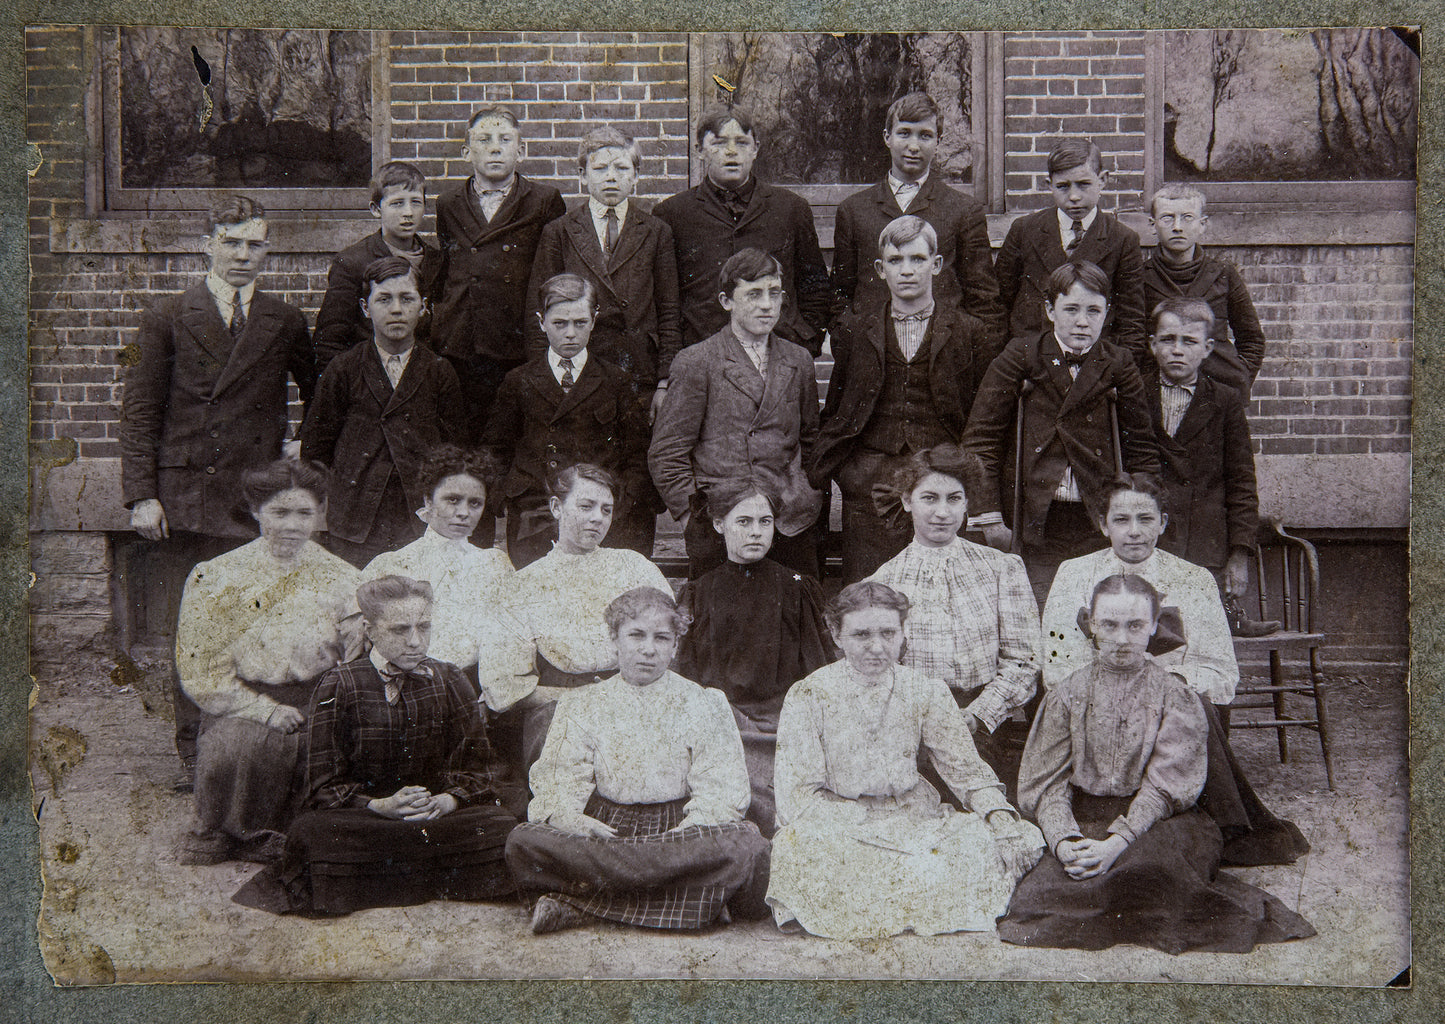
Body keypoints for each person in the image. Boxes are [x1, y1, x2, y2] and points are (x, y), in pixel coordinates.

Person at [997, 575, 1315, 953]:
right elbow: (1047, 782)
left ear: (1153, 626)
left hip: (1161, 819)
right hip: (1085, 815)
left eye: (1134, 625)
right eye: (1109, 625)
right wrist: (1064, 840)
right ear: (1091, 625)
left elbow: (1167, 785)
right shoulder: (1067, 694)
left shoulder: (1174, 694)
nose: (1121, 638)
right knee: (1040, 894)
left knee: (1148, 871)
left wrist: (1117, 843)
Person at [120, 194, 315, 781]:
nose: (243, 255)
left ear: (267, 249)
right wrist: (141, 495)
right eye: (231, 242)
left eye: (254, 244)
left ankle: (248, 739)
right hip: (186, 501)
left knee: (255, 621)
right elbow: (140, 411)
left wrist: (303, 444)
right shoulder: (168, 316)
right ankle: (194, 751)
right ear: (208, 244)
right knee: (197, 627)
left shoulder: (283, 319)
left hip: (254, 503)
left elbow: (320, 392)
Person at [1041, 475, 1309, 865]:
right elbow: (1057, 661)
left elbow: (1219, 669)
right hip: (1095, 699)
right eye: (1121, 520)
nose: (1134, 532)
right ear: (1103, 525)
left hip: (1171, 703)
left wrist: (1165, 689)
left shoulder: (1194, 579)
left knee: (1197, 705)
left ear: (1163, 523)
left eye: (1145, 519)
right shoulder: (1073, 573)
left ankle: (1213, 822)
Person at [767, 581, 1044, 940]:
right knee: (799, 847)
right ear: (836, 635)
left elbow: (965, 771)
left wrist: (997, 813)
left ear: (903, 632)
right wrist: (857, 824)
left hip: (912, 817)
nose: (877, 647)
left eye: (888, 632)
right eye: (861, 634)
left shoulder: (925, 690)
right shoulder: (809, 694)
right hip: (842, 823)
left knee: (995, 838)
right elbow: (797, 793)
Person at [232, 575, 522, 916]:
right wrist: (380, 806)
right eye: (400, 630)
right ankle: (440, 876)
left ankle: (377, 880)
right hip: (369, 820)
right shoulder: (338, 685)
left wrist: (448, 800)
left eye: (424, 627)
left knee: (502, 824)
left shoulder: (450, 679)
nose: (415, 641)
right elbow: (322, 786)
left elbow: (477, 767)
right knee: (311, 834)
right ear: (369, 631)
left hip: (436, 817)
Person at [505, 587, 771, 934]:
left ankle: (583, 905)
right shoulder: (582, 703)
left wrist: (689, 829)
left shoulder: (705, 703)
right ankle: (694, 904)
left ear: (675, 646)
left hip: (680, 829)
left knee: (746, 844)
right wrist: (571, 819)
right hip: (604, 828)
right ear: (614, 640)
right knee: (523, 842)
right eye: (636, 635)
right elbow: (561, 779)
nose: (648, 649)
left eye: (662, 638)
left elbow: (721, 787)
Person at [174, 459, 360, 865]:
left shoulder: (343, 577)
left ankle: (298, 831)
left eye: (304, 513)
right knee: (236, 745)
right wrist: (263, 709)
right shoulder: (216, 576)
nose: (292, 525)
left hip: (320, 699)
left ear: (320, 513)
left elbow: (358, 656)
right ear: (256, 510)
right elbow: (200, 669)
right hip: (242, 700)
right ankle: (231, 831)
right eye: (279, 512)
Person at [962, 261, 1160, 604]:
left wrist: (1140, 517)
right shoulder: (1022, 355)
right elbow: (981, 440)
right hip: (1036, 518)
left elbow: (1141, 447)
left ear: (1107, 313)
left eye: (1093, 311)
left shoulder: (1118, 362)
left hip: (1097, 518)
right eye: (1071, 309)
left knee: (1099, 611)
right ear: (1050, 310)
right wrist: (990, 517)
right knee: (1041, 612)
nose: (1082, 322)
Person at [810, 216, 993, 581]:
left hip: (939, 482)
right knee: (870, 589)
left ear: (936, 265)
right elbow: (838, 410)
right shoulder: (855, 330)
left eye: (917, 259)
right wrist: (850, 473)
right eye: (895, 261)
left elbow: (979, 417)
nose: (906, 270)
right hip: (869, 485)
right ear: (880, 269)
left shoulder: (968, 331)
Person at [866, 446, 1042, 795]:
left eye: (954, 499)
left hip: (985, 727)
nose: (942, 512)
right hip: (909, 733)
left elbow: (1024, 660)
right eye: (929, 498)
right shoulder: (882, 583)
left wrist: (978, 716)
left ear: (967, 504)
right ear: (906, 501)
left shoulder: (1000, 568)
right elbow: (874, 672)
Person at [649, 248, 825, 580]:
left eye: (774, 294)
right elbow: (667, 452)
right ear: (726, 301)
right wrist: (694, 519)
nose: (766, 305)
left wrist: (805, 491)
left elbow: (810, 439)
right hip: (721, 520)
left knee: (793, 619)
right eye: (754, 294)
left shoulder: (798, 360)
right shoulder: (697, 361)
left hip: (789, 520)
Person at [480, 464, 670, 768]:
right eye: (586, 506)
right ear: (556, 507)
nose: (597, 517)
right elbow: (505, 687)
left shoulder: (634, 568)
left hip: (636, 695)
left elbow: (666, 642)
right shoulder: (524, 584)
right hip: (558, 707)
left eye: (606, 510)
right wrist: (581, 697)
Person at [675, 481, 837, 836]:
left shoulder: (796, 584)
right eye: (743, 522)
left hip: (785, 724)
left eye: (765, 522)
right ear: (719, 524)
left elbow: (818, 671)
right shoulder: (701, 590)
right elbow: (687, 679)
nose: (756, 532)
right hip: (723, 726)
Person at [301, 257, 465, 568]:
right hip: (356, 522)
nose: (396, 309)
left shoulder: (439, 372)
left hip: (417, 520)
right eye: (384, 299)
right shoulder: (343, 369)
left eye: (407, 299)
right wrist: (339, 502)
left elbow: (455, 453)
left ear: (423, 305)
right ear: (365, 307)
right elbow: (315, 450)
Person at [483, 274, 653, 567]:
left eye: (580, 323)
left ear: (594, 320)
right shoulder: (519, 380)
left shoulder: (615, 380)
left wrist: (619, 505)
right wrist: (508, 496)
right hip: (535, 517)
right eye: (560, 323)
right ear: (541, 322)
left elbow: (637, 455)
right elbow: (494, 451)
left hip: (598, 521)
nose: (570, 333)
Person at [526, 126, 682, 428]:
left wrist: (665, 381)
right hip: (583, 362)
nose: (611, 176)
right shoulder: (559, 231)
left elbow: (669, 312)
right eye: (599, 169)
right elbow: (537, 311)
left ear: (635, 176)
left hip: (639, 367)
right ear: (583, 175)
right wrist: (542, 377)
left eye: (622, 168)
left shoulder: (656, 231)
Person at [433, 106, 567, 447]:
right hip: (463, 341)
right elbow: (450, 269)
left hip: (514, 341)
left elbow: (551, 273)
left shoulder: (543, 200)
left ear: (521, 151)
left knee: (509, 438)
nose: (495, 148)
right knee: (464, 437)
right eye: (484, 140)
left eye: (505, 140)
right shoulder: (448, 203)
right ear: (467, 152)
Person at [829, 91, 1006, 349]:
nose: (914, 146)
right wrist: (849, 340)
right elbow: (840, 296)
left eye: (925, 135)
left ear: (938, 141)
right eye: (904, 133)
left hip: (940, 354)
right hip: (872, 353)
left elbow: (984, 300)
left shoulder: (963, 210)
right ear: (887, 137)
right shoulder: (854, 210)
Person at [652, 106, 831, 355]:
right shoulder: (672, 213)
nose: (732, 151)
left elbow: (815, 287)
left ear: (756, 149)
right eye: (719, 142)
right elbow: (666, 300)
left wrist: (805, 341)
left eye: (742, 142)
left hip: (778, 350)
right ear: (699, 151)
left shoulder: (791, 208)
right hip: (703, 354)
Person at [1145, 298, 1274, 634]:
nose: (1177, 350)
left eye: (1189, 341)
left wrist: (1239, 553)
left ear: (1207, 348)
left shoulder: (1224, 401)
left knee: (1203, 639)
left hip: (1204, 544)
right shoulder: (1134, 394)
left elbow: (1242, 481)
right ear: (1153, 344)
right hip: (1148, 541)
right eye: (1168, 340)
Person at [360, 443, 515, 690]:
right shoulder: (392, 564)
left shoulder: (493, 564)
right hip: (404, 687)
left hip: (471, 688)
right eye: (452, 500)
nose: (463, 512)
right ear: (428, 501)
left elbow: (505, 643)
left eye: (475, 503)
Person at [994, 138, 1147, 362]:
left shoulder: (1122, 239)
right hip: (1030, 362)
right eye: (1063, 186)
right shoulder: (1025, 230)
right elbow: (998, 303)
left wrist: (1116, 376)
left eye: (1084, 184)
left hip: (1093, 366)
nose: (1074, 196)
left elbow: (1132, 321)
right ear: (1049, 184)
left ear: (1102, 180)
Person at [313, 160, 443, 381]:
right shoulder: (353, 262)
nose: (408, 213)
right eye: (397, 203)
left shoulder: (436, 260)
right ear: (376, 209)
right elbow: (330, 342)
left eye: (416, 203)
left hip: (420, 379)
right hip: (368, 381)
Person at [1142, 182, 1267, 397]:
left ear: (1203, 224)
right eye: (1167, 218)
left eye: (1187, 217)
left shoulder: (1223, 275)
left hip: (1217, 393)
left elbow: (1252, 339)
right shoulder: (1139, 277)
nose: (1177, 227)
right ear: (1153, 225)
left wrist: (1236, 379)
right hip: (1154, 393)